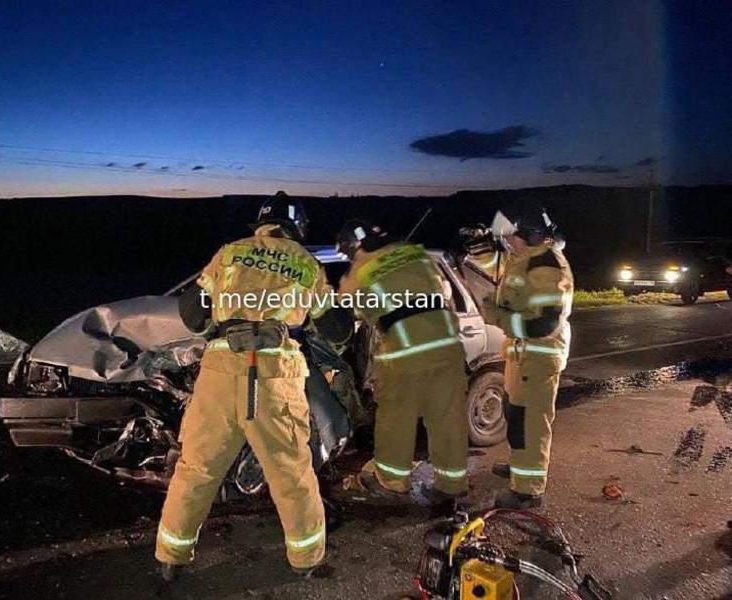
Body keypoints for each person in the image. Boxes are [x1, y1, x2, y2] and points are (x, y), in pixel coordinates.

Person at [156, 192, 342, 580]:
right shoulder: (306, 263)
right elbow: (337, 328)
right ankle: (306, 562)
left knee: (197, 470)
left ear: (260, 223)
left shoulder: (229, 253)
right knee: (292, 474)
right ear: (297, 228)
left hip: (220, 372)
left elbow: (192, 315)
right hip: (276, 376)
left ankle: (170, 558)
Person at [336, 219, 469, 503]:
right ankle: (451, 485)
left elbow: (345, 313)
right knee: (447, 421)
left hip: (405, 355)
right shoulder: (415, 253)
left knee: (396, 420)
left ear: (354, 246)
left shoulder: (360, 270)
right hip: (448, 348)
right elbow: (444, 292)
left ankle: (392, 481)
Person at [479, 208, 574, 509]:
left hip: (538, 357)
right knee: (515, 416)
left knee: (530, 424)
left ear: (529, 236)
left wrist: (500, 318)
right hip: (521, 356)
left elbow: (545, 323)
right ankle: (521, 468)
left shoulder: (547, 266)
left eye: (511, 236)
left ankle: (528, 490)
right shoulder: (527, 258)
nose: (507, 241)